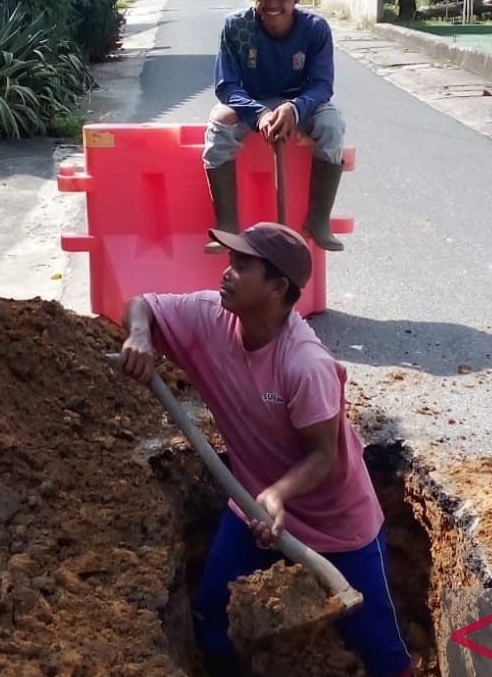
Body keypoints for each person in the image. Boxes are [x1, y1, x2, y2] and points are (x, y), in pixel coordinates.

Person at [117, 222, 413, 677]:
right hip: (251, 509)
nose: (226, 272)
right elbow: (143, 306)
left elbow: (323, 456)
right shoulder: (210, 317)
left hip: (339, 527)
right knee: (211, 621)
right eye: (230, 262)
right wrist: (139, 335)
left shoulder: (305, 365)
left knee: (381, 654)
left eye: (242, 266)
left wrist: (278, 495)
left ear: (277, 287)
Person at [205, 0, 347, 254]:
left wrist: (294, 108)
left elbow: (322, 85)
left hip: (301, 104)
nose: (272, 4)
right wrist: (260, 115)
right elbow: (227, 86)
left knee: (332, 126)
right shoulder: (236, 28)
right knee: (218, 123)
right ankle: (228, 225)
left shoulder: (315, 29)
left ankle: (318, 221)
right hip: (253, 105)